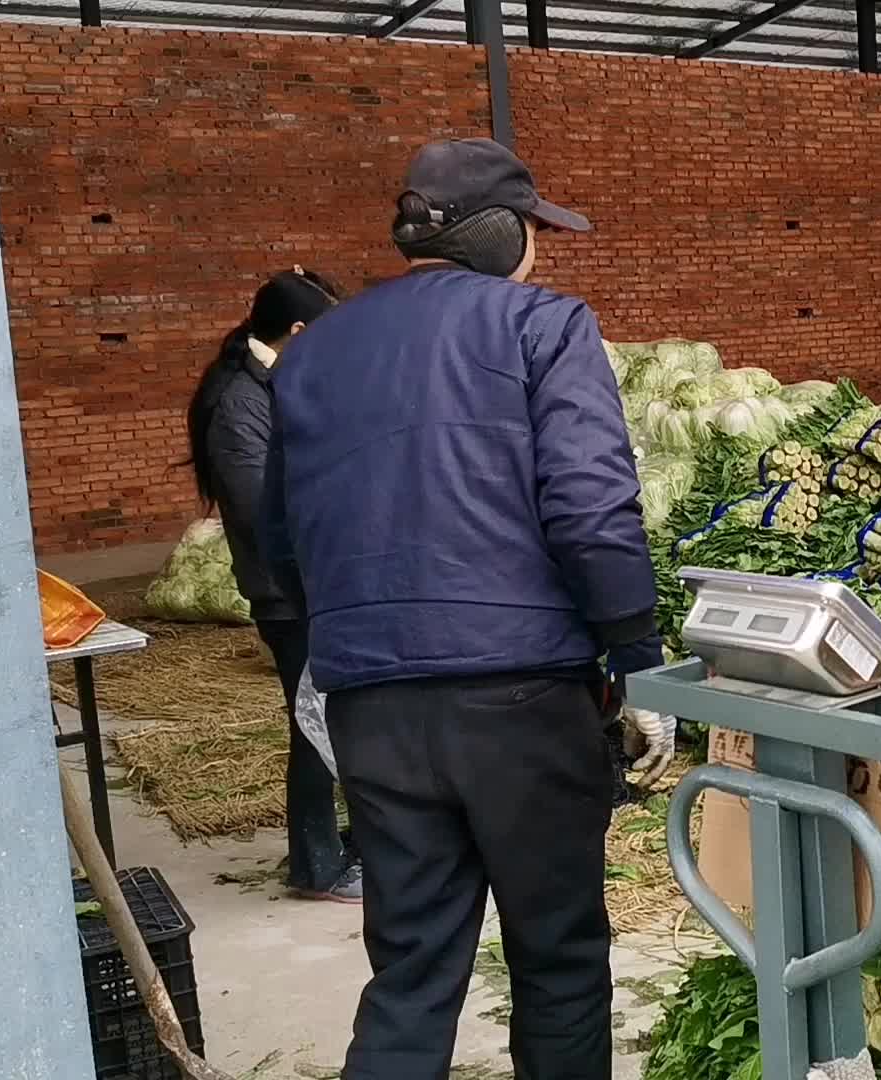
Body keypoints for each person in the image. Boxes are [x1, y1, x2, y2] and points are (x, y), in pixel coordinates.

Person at [260, 137, 673, 1080]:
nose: (541, 251)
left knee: (410, 971)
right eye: (534, 229)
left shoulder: (311, 357)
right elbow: (590, 508)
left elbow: (282, 541)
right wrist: (637, 656)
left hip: (371, 705)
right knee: (559, 959)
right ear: (497, 233)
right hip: (520, 699)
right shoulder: (543, 325)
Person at [184, 268, 360, 903]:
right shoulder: (239, 401)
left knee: (335, 714)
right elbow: (263, 509)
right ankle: (317, 865)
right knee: (312, 720)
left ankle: (347, 847)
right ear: (297, 331)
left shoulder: (279, 378)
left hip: (317, 582)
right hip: (288, 593)